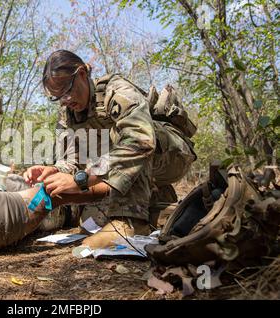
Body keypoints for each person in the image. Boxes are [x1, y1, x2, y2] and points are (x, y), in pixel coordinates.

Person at [24, 50, 196, 249]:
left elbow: (139, 141)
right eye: (58, 97)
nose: (66, 100)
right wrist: (55, 171)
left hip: (171, 153)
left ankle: (131, 222)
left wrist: (81, 179)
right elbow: (71, 161)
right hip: (136, 169)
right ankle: (158, 201)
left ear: (81, 74)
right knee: (90, 221)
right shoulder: (68, 115)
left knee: (123, 137)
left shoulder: (116, 92)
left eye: (67, 90)